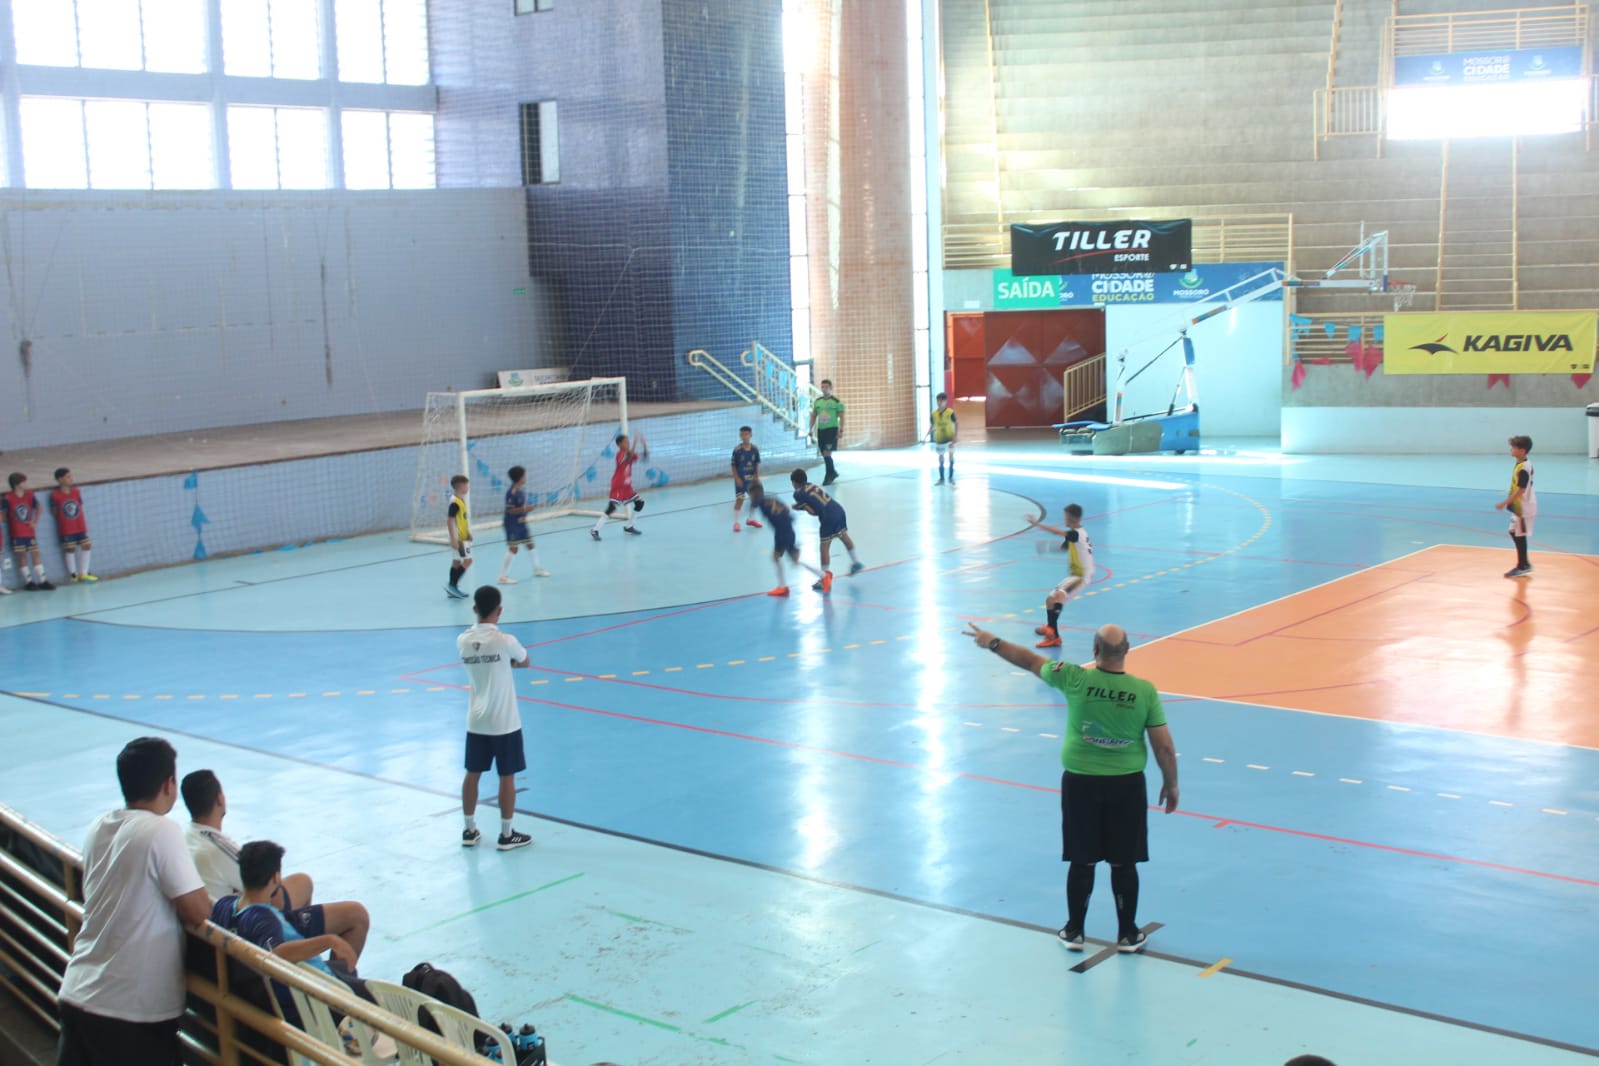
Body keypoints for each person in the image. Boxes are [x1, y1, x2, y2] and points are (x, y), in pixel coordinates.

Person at [962, 621, 1178, 954]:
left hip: (1081, 783)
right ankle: (1127, 934)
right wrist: (1171, 782)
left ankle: (1074, 930)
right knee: (1124, 862)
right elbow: (1163, 746)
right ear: (1127, 651)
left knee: (1083, 859)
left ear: (1094, 651)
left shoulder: (1074, 677)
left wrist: (992, 642)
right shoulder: (1144, 691)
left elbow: (1029, 660)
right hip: (1127, 787)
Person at [55, 737, 211, 1066]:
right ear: (169, 784)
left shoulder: (101, 826)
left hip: (78, 991)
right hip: (129, 1012)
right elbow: (198, 909)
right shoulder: (160, 831)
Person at [209, 841, 364, 1027]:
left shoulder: (223, 906)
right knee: (385, 1003)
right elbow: (274, 955)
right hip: (316, 995)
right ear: (276, 878)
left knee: (349, 972)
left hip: (296, 986)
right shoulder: (263, 917)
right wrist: (330, 940)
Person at [459, 584, 534, 850]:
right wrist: (509, 662)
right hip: (504, 722)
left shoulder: (463, 640)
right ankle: (506, 833)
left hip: (476, 721)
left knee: (472, 774)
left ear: (475, 609)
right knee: (507, 776)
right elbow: (524, 660)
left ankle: (469, 830)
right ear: (499, 610)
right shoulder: (505, 641)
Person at [180, 769, 311, 908]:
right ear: (219, 798)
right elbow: (265, 886)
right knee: (303, 882)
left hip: (211, 916)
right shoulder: (216, 848)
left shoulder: (187, 837)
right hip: (238, 922)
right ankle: (292, 928)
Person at [1027, 503, 1096, 649]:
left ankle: (1050, 630)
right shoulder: (1074, 534)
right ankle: (1054, 637)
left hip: (1081, 576)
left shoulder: (1077, 533)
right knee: (1050, 600)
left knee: (1060, 595)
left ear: (1071, 517)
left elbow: (1056, 532)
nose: (1063, 518)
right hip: (1074, 575)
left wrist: (1036, 523)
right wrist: (1046, 547)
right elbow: (1064, 548)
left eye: (1065, 515)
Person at [789, 469, 863, 589]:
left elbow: (813, 512)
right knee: (844, 536)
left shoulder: (797, 494)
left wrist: (800, 508)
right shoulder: (811, 485)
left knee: (824, 547)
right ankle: (856, 562)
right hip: (838, 509)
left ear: (794, 482)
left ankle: (825, 577)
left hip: (828, 517)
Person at [748, 480, 823, 596]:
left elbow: (756, 503)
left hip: (782, 533)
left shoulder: (761, 502)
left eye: (750, 495)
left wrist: (752, 503)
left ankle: (822, 576)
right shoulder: (772, 499)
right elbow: (789, 513)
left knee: (790, 560)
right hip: (787, 530)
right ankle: (783, 586)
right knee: (777, 557)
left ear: (754, 494)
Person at [498, 465, 550, 583]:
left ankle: (537, 569)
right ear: (520, 477)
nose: (526, 478)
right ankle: (502, 576)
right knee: (514, 548)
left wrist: (524, 512)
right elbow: (510, 510)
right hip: (512, 524)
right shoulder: (512, 492)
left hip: (521, 523)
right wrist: (525, 508)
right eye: (524, 475)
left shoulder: (522, 491)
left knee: (530, 544)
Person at [3, 472, 54, 591]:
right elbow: (3, 514)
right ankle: (28, 581)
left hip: (29, 531)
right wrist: (12, 520)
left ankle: (42, 580)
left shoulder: (30, 495)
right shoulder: (8, 498)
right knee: (22, 557)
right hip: (17, 532)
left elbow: (39, 507)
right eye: (23, 482)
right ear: (16, 484)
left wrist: (35, 521)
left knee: (35, 554)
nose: (26, 484)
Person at [591, 432, 647, 540]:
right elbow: (629, 457)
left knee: (640, 503)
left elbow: (644, 458)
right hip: (618, 485)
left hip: (627, 487)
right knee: (612, 508)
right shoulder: (620, 454)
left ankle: (629, 526)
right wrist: (636, 442)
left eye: (629, 441)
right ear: (620, 444)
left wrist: (644, 445)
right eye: (626, 442)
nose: (628, 443)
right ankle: (595, 530)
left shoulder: (629, 452)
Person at [1494, 434, 1536, 579]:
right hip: (1520, 507)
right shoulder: (1521, 464)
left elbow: (1522, 490)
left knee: (1518, 533)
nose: (1511, 450)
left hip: (1523, 507)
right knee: (1514, 532)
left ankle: (1523, 566)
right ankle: (1524, 563)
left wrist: (1504, 502)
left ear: (1522, 450)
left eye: (1514, 448)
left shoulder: (1523, 467)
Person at [50, 467, 97, 583]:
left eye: (71, 476)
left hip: (80, 525)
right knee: (70, 548)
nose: (71, 479)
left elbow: (79, 506)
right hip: (66, 528)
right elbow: (54, 512)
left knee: (87, 545)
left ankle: (83, 573)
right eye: (68, 477)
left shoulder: (76, 492)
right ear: (60, 479)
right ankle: (73, 574)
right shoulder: (55, 495)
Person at [809, 379, 845, 485]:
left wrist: (841, 430)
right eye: (822, 387)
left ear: (830, 388)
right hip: (821, 431)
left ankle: (829, 475)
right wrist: (810, 429)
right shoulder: (818, 401)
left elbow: (842, 417)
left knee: (827, 453)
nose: (824, 389)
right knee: (824, 454)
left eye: (826, 387)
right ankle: (832, 472)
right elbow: (814, 416)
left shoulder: (836, 402)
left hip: (832, 430)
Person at [730, 426, 764, 532]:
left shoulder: (755, 449)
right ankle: (736, 523)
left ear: (750, 435)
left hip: (752, 480)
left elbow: (756, 464)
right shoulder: (737, 450)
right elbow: (733, 466)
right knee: (740, 500)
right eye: (742, 434)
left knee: (756, 499)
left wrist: (757, 477)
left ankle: (750, 519)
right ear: (740, 436)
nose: (744, 436)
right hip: (741, 479)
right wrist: (737, 478)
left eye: (746, 434)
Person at [445, 474, 473, 599]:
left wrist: (468, 532)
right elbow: (450, 521)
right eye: (466, 485)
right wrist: (453, 538)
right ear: (461, 486)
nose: (468, 487)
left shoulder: (460, 500)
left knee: (456, 561)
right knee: (468, 561)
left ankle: (452, 589)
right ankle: (452, 586)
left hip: (462, 536)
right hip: (458, 539)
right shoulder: (455, 502)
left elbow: (461, 519)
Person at [928, 393, 958, 484]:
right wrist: (929, 432)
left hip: (950, 438)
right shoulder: (933, 414)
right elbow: (933, 425)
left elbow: (956, 423)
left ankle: (951, 477)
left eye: (942, 401)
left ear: (945, 401)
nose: (939, 403)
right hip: (940, 439)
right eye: (938, 400)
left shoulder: (950, 412)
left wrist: (955, 436)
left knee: (951, 456)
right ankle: (941, 478)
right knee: (941, 457)